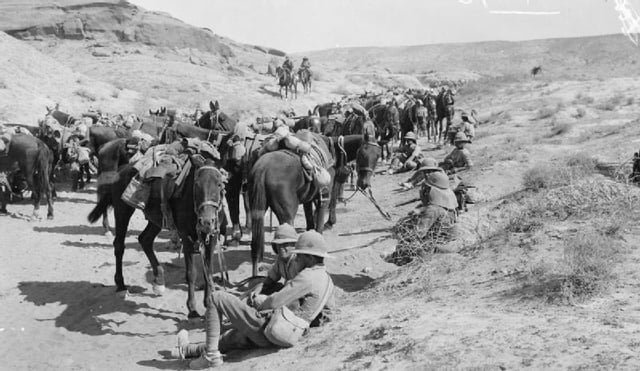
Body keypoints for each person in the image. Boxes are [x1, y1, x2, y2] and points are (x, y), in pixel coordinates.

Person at [170, 230, 335, 369]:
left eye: (301, 256)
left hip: (274, 330)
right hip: (287, 333)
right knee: (232, 339)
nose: (297, 258)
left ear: (311, 258)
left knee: (216, 298)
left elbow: (273, 302)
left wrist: (255, 305)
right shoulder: (326, 278)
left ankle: (211, 356)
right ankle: (186, 350)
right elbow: (327, 312)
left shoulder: (308, 276)